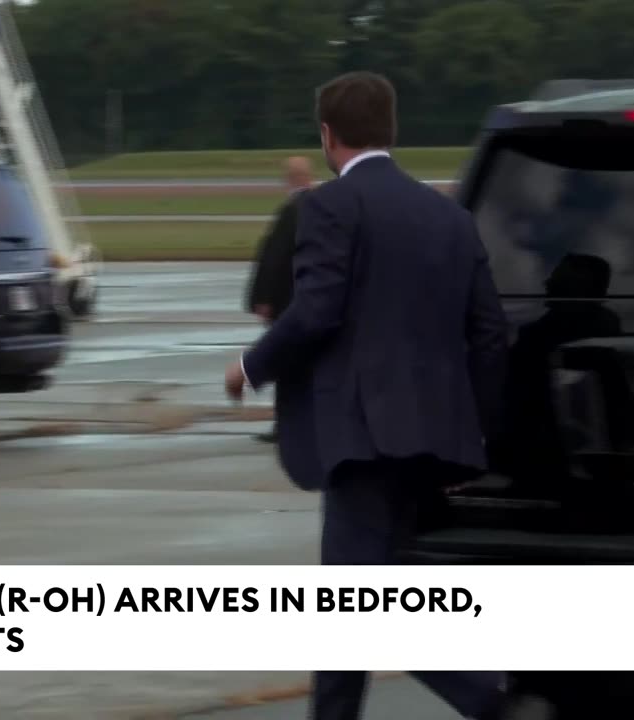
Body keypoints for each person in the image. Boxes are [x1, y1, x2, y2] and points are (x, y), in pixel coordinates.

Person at [222, 72, 547, 720]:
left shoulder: (328, 207)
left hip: (362, 438)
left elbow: (315, 311)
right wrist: (476, 435)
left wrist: (248, 366)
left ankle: (493, 700)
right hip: (433, 442)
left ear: (327, 135)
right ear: (390, 131)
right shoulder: (447, 216)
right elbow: (488, 335)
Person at [245, 155, 312, 443]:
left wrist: (263, 298)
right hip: (313, 302)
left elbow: (275, 258)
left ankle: (285, 425)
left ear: (289, 179)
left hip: (288, 303)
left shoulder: (291, 211)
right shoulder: (323, 208)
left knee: (285, 366)